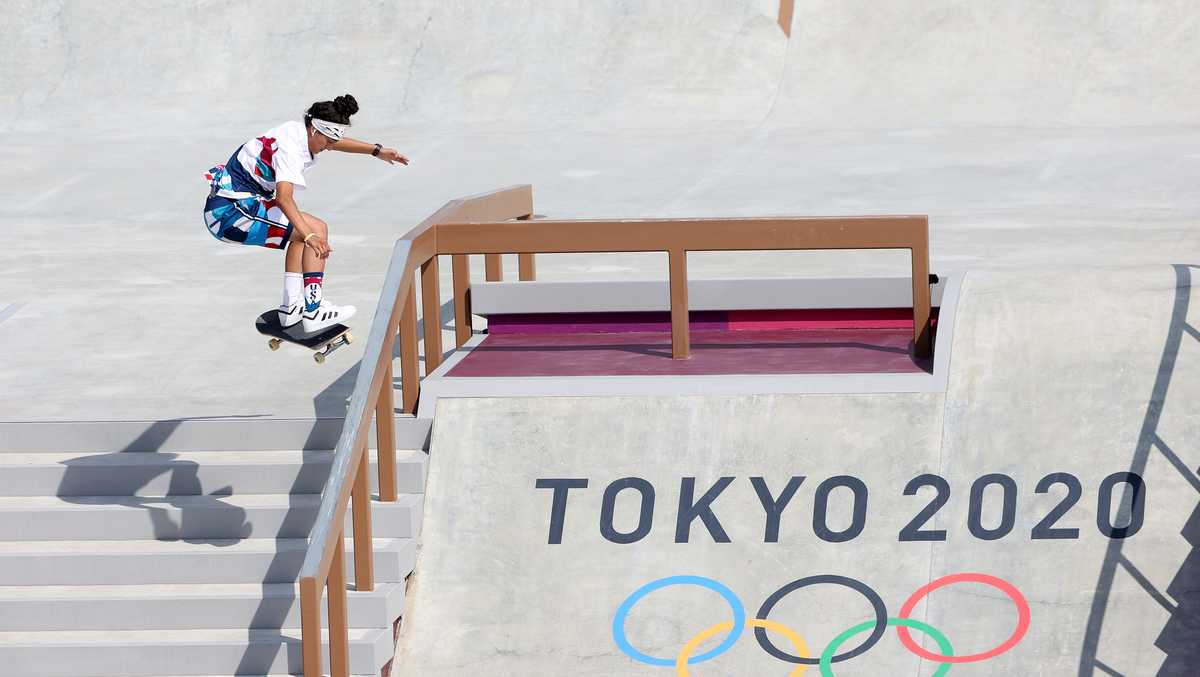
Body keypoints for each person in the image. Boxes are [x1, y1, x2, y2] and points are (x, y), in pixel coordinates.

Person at [202, 94, 408, 333]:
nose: (329, 147)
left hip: (235, 205)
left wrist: (376, 151)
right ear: (314, 131)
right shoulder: (291, 150)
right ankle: (314, 310)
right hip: (230, 213)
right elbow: (284, 198)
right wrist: (310, 237)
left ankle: (291, 308)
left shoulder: (298, 130)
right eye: (328, 141)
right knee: (314, 230)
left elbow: (335, 141)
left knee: (299, 231)